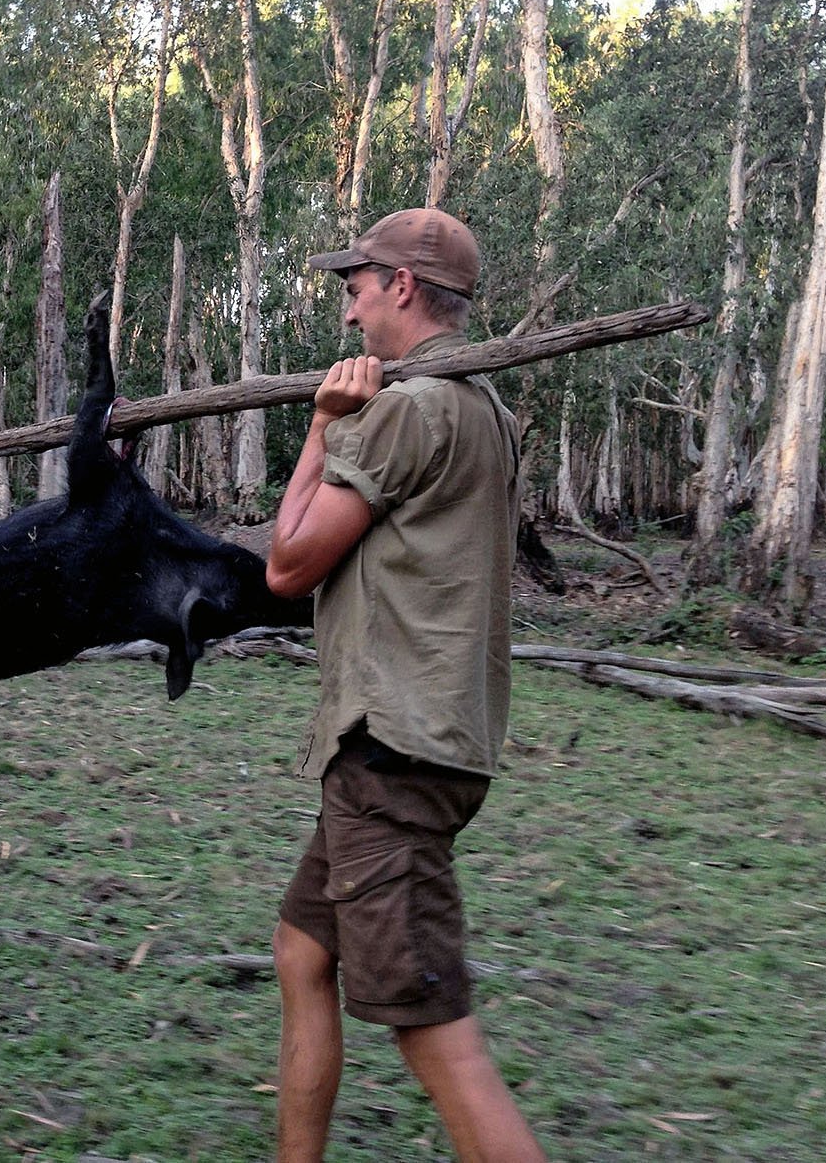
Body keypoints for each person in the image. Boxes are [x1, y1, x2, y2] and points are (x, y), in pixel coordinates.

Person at [264, 209, 543, 1162]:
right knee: (303, 953)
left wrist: (320, 428)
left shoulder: (408, 410)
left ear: (404, 288)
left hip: (394, 752)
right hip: (423, 742)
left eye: (356, 290)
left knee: (435, 1033)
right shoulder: (486, 412)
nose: (349, 315)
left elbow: (288, 565)